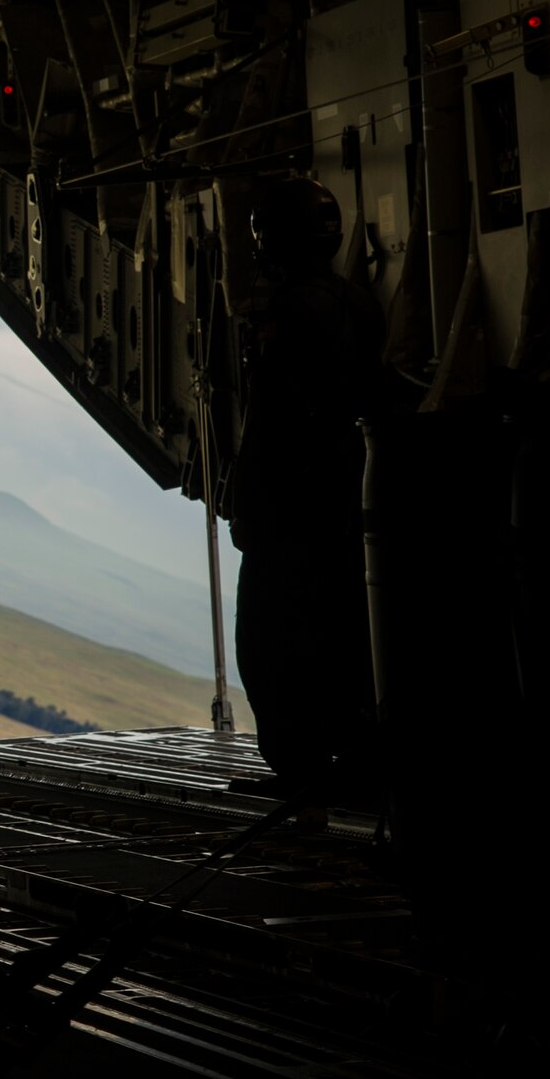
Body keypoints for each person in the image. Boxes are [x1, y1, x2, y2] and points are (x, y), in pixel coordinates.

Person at [228, 177, 385, 788]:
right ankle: (348, 756)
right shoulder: (360, 304)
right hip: (343, 506)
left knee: (269, 644)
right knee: (341, 638)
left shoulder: (289, 313)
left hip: (290, 514)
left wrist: (250, 507)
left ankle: (299, 766)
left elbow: (272, 423)